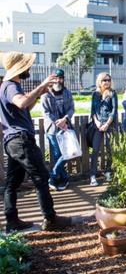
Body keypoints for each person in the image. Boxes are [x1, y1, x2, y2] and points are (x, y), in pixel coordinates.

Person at [0, 51, 71, 232]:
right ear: (20, 68)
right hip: (21, 140)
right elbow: (22, 103)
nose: (29, 68)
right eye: (28, 66)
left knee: (12, 183)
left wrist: (39, 92)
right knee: (41, 177)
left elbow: (25, 107)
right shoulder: (10, 87)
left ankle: (12, 222)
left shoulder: (8, 86)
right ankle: (50, 218)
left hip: (12, 141)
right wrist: (42, 84)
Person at [41, 69, 74, 191]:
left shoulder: (67, 93)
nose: (58, 80)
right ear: (52, 79)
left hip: (66, 128)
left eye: (60, 78)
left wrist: (65, 119)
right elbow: (46, 112)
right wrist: (58, 123)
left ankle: (53, 177)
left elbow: (71, 108)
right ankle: (62, 178)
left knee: (67, 153)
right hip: (52, 130)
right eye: (56, 78)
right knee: (57, 155)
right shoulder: (46, 94)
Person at [89, 72, 118, 186]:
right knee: (95, 150)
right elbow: (93, 111)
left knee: (110, 149)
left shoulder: (113, 93)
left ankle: (108, 171)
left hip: (109, 124)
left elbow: (114, 110)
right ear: (99, 82)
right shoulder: (95, 94)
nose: (107, 82)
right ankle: (93, 175)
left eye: (108, 80)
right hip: (98, 125)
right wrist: (96, 122)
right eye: (104, 80)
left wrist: (107, 124)